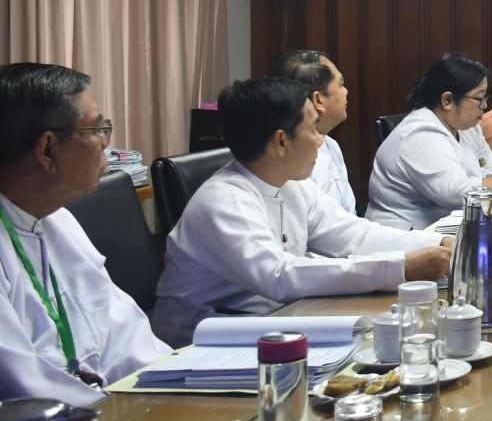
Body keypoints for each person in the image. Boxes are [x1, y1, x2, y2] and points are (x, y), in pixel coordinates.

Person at [153, 77, 453, 345]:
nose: (321, 140)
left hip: (280, 318)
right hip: (205, 341)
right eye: (312, 129)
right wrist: (399, 267)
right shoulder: (222, 201)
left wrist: (439, 243)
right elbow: (280, 275)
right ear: (281, 141)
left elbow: (354, 235)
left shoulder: (290, 184)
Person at [0, 63, 170, 421]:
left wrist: (179, 380)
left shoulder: (58, 220)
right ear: (47, 149)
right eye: (96, 130)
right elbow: (18, 382)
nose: (107, 143)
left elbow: (123, 330)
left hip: (116, 412)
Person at [367, 54, 492, 230]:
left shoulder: (468, 127)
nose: (485, 106)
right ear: (447, 100)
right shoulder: (420, 134)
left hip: (449, 228)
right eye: (479, 98)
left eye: (485, 97)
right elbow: (457, 194)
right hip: (408, 236)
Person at [272, 49, 355, 213]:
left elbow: (347, 217)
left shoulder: (331, 145)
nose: (346, 91)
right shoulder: (292, 160)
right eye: (341, 84)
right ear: (318, 100)